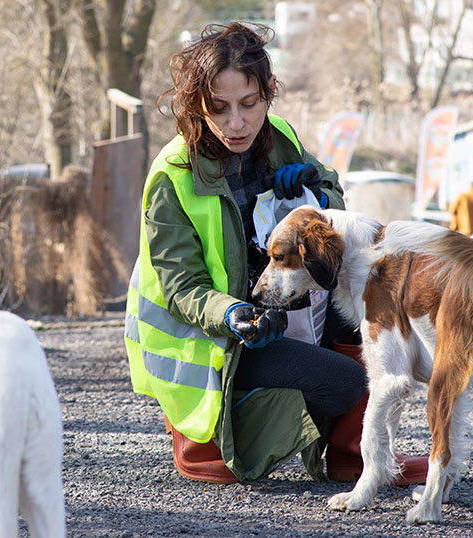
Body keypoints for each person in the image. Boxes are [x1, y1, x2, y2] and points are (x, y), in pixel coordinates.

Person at [124, 22, 427, 485]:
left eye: (249, 104)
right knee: (346, 381)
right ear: (195, 105)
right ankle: (204, 441)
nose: (237, 123)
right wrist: (233, 315)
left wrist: (318, 195)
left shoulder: (280, 135)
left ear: (268, 94)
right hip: (213, 339)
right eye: (219, 108)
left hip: (278, 307)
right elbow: (182, 289)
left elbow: (335, 213)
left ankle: (357, 457)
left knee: (364, 299)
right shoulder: (172, 175)